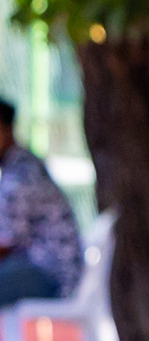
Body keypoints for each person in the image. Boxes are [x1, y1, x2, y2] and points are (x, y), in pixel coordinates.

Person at [0, 98, 84, 308]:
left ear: (5, 130)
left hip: (51, 273)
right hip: (37, 266)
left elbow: (6, 244)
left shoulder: (21, 177)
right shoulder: (20, 165)